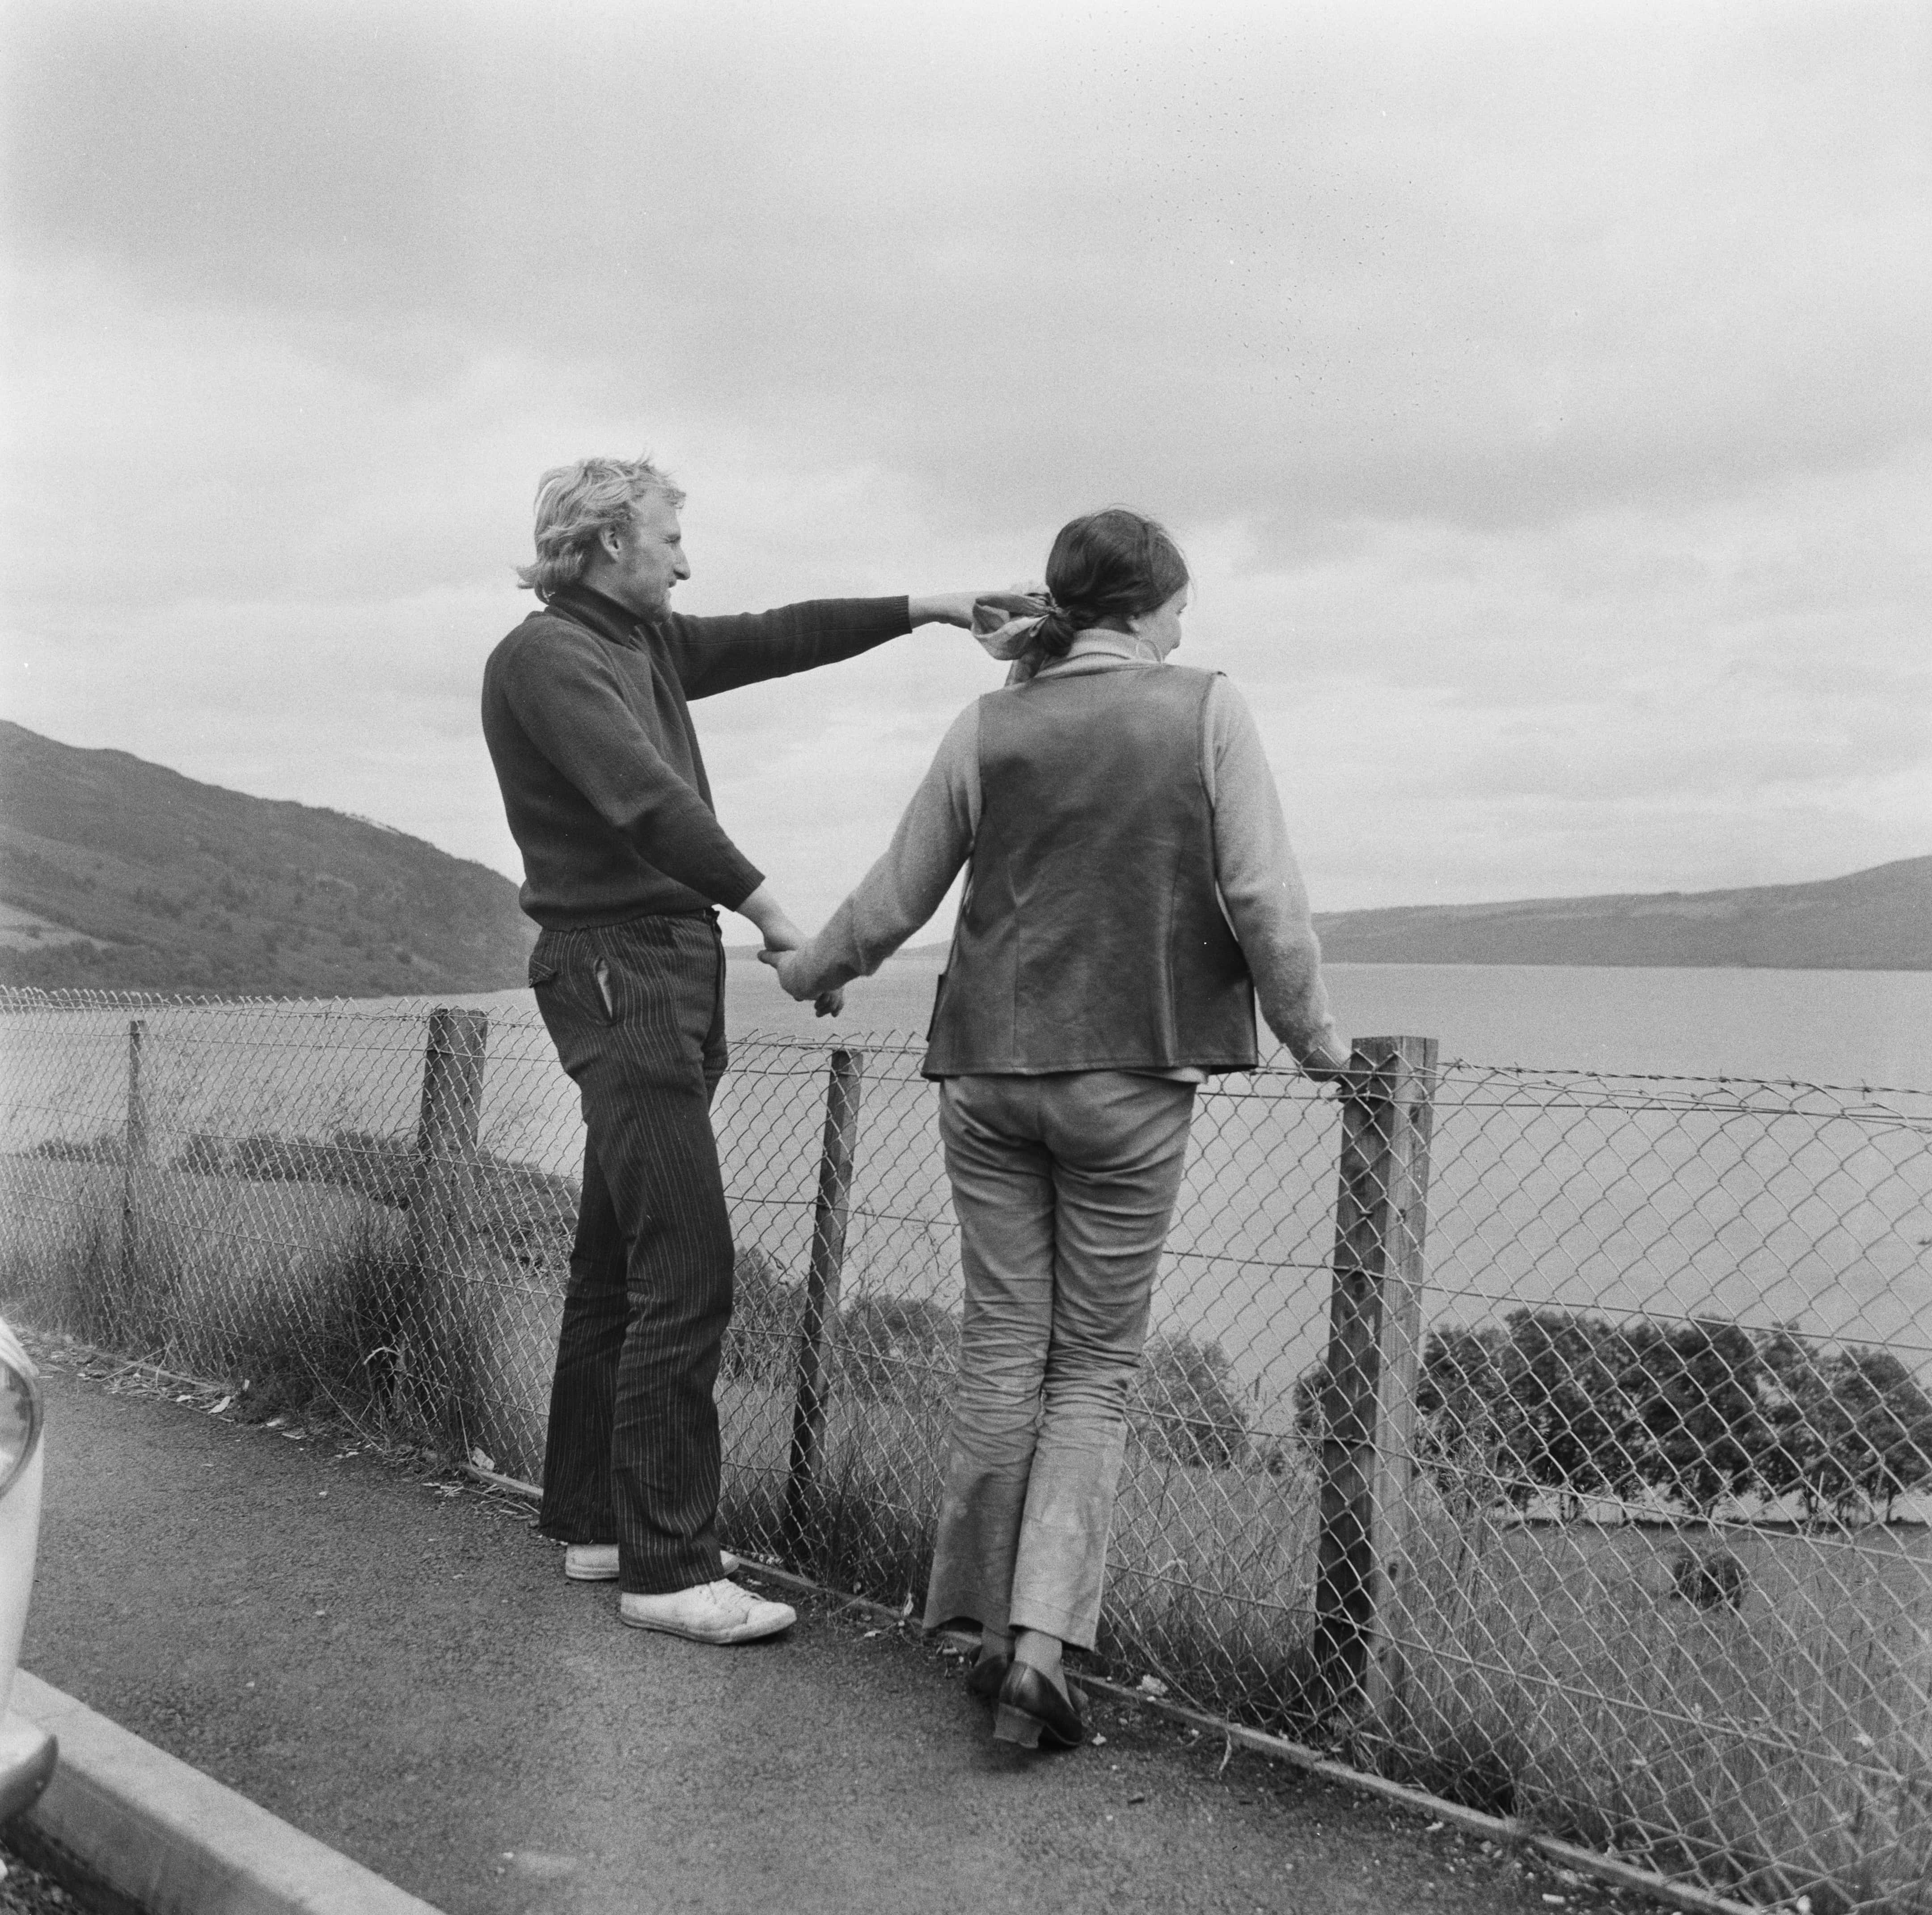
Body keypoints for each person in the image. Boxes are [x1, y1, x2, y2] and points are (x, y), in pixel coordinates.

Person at [763, 506, 1349, 1741]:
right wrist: (1316, 1041)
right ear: (1143, 609)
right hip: (1127, 1077)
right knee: (1092, 1367)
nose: (1185, 627)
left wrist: (822, 962)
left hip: (983, 1072)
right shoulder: (1204, 707)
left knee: (999, 1349)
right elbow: (1261, 897)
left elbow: (899, 885)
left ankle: (973, 1623)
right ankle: (1037, 1649)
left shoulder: (991, 722)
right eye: (1178, 607)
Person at [482, 452, 1007, 1647]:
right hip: (622, 966)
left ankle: (596, 1522)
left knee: (618, 1254)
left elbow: (785, 635)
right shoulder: (550, 657)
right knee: (689, 1262)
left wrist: (930, 607)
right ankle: (670, 1569)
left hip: (660, 961)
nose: (686, 556)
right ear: (612, 542)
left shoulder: (644, 643)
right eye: (670, 535)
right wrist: (781, 916)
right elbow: (644, 802)